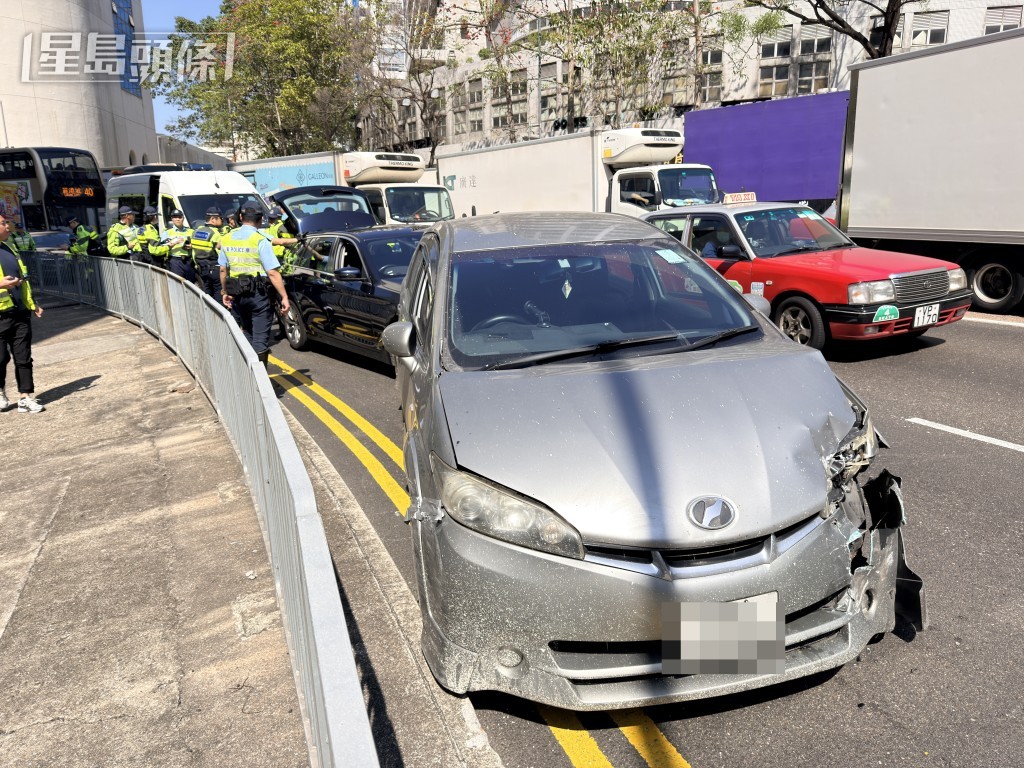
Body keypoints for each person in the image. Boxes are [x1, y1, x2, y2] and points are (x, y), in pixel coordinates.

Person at [219, 205, 290, 366]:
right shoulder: (259, 239)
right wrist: (284, 297)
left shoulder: (227, 237)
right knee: (260, 340)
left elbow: (223, 269)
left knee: (247, 332)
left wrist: (225, 291)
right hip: (259, 295)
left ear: (241, 218)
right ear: (260, 220)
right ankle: (260, 383)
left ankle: (250, 376)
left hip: (237, 293)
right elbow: (272, 272)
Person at [0, 213, 45, 413]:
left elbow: (23, 278)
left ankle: (25, 397)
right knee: (1, 358)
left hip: (19, 312)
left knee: (23, 357)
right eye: (3, 223)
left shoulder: (9, 247)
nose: (8, 226)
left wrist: (32, 303)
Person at [191, 206, 224, 301]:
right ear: (213, 219)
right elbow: (220, 252)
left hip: (201, 268)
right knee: (218, 293)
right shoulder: (215, 233)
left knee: (207, 293)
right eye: (220, 218)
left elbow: (194, 251)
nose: (222, 220)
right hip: (214, 268)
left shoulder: (196, 231)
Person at [162, 209, 196, 282]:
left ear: (183, 218)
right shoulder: (167, 232)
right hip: (175, 261)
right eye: (175, 217)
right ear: (172, 219)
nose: (177, 219)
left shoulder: (191, 231)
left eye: (179, 217)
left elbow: (197, 245)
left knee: (191, 284)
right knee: (177, 283)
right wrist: (173, 243)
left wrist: (192, 246)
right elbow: (162, 247)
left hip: (188, 261)